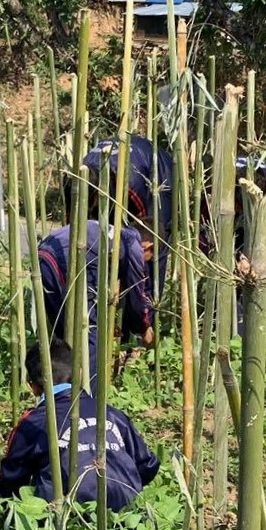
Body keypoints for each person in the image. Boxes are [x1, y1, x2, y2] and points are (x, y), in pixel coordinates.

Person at [0, 339, 160, 510]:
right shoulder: (111, 414)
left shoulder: (33, 423)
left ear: (32, 387)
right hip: (126, 512)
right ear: (79, 374)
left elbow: (11, 478)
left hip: (69, 516)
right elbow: (148, 464)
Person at [36, 214, 153, 381]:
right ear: (148, 246)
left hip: (45, 257)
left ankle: (61, 387)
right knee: (90, 336)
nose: (146, 262)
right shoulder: (132, 245)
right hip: (63, 263)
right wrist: (144, 327)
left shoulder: (114, 234)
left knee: (64, 331)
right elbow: (137, 294)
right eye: (149, 258)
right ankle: (88, 396)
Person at [84, 134, 174, 291]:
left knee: (152, 247)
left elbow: (145, 230)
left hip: (158, 177)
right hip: (119, 171)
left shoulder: (129, 184)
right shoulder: (81, 175)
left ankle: (145, 303)